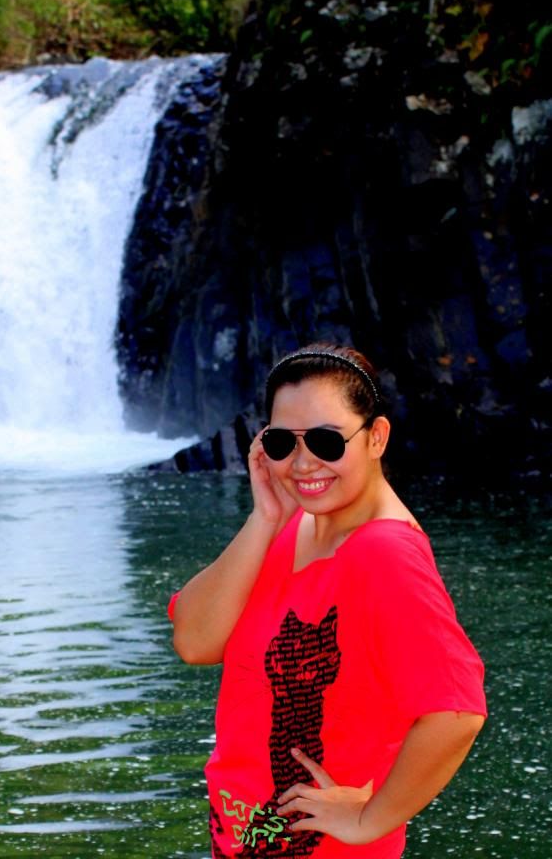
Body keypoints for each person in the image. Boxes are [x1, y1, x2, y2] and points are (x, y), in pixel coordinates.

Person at [168, 345, 486, 858]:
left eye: (326, 440)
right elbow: (194, 640)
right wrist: (264, 518)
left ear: (376, 437)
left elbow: (456, 711)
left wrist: (368, 818)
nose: (302, 462)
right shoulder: (296, 522)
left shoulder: (384, 553)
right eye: (282, 442)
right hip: (245, 839)